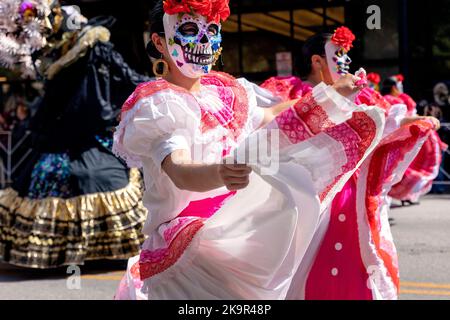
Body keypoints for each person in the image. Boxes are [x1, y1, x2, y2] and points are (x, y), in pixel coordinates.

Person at [113, 0, 385, 300]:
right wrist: (221, 172)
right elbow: (179, 170)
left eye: (212, 30)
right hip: (192, 249)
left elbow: (271, 118)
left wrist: (331, 95)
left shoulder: (227, 91)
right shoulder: (159, 102)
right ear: (159, 42)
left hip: (239, 233)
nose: (204, 40)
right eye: (190, 29)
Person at [262, 28, 440, 299]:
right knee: (304, 271)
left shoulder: (359, 97)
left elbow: (382, 121)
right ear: (317, 61)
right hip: (309, 197)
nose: (345, 61)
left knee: (357, 267)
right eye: (338, 54)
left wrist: (413, 123)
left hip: (353, 194)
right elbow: (274, 133)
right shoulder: (291, 94)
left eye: (347, 55)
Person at [0, 1, 150, 268]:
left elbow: (126, 77)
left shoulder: (97, 49)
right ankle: (65, 253)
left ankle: (102, 250)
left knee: (97, 175)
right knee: (55, 175)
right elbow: (51, 104)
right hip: (62, 140)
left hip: (91, 135)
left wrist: (158, 86)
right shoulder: (57, 61)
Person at [383, 75, 448, 205]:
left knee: (399, 169)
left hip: (406, 139)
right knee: (396, 170)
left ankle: (405, 196)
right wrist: (421, 120)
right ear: (394, 88)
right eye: (399, 86)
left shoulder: (397, 99)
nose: (400, 88)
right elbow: (400, 120)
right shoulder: (390, 100)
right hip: (399, 139)